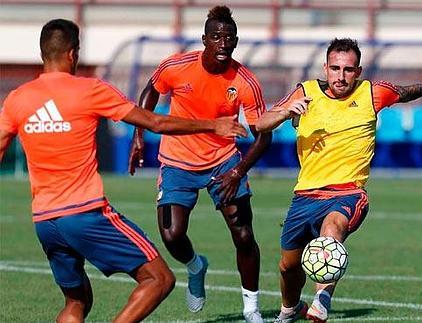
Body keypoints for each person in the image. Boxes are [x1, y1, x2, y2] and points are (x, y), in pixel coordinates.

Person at [0, 19, 248, 322]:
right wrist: (214, 124)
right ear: (73, 54)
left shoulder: (17, 99)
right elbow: (155, 122)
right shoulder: (90, 90)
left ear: (43, 54)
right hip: (85, 213)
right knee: (160, 279)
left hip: (44, 222)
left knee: (76, 302)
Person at [255, 38, 422, 323]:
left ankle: (323, 298)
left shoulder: (372, 93)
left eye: (348, 70)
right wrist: (286, 111)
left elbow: (405, 92)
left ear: (358, 71)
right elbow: (261, 123)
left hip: (348, 193)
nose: (341, 76)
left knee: (331, 231)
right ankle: (290, 308)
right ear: (325, 67)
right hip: (305, 195)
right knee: (288, 267)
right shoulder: (305, 93)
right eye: (335, 68)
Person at [128, 5, 271, 322]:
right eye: (216, 37)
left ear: (236, 42)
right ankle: (195, 265)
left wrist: (238, 171)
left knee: (244, 236)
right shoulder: (177, 66)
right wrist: (139, 135)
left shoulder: (245, 81)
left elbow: (263, 137)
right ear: (204, 39)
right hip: (177, 160)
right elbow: (150, 92)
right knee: (172, 235)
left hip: (224, 162)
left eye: (229, 38)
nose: (223, 43)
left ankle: (252, 309)